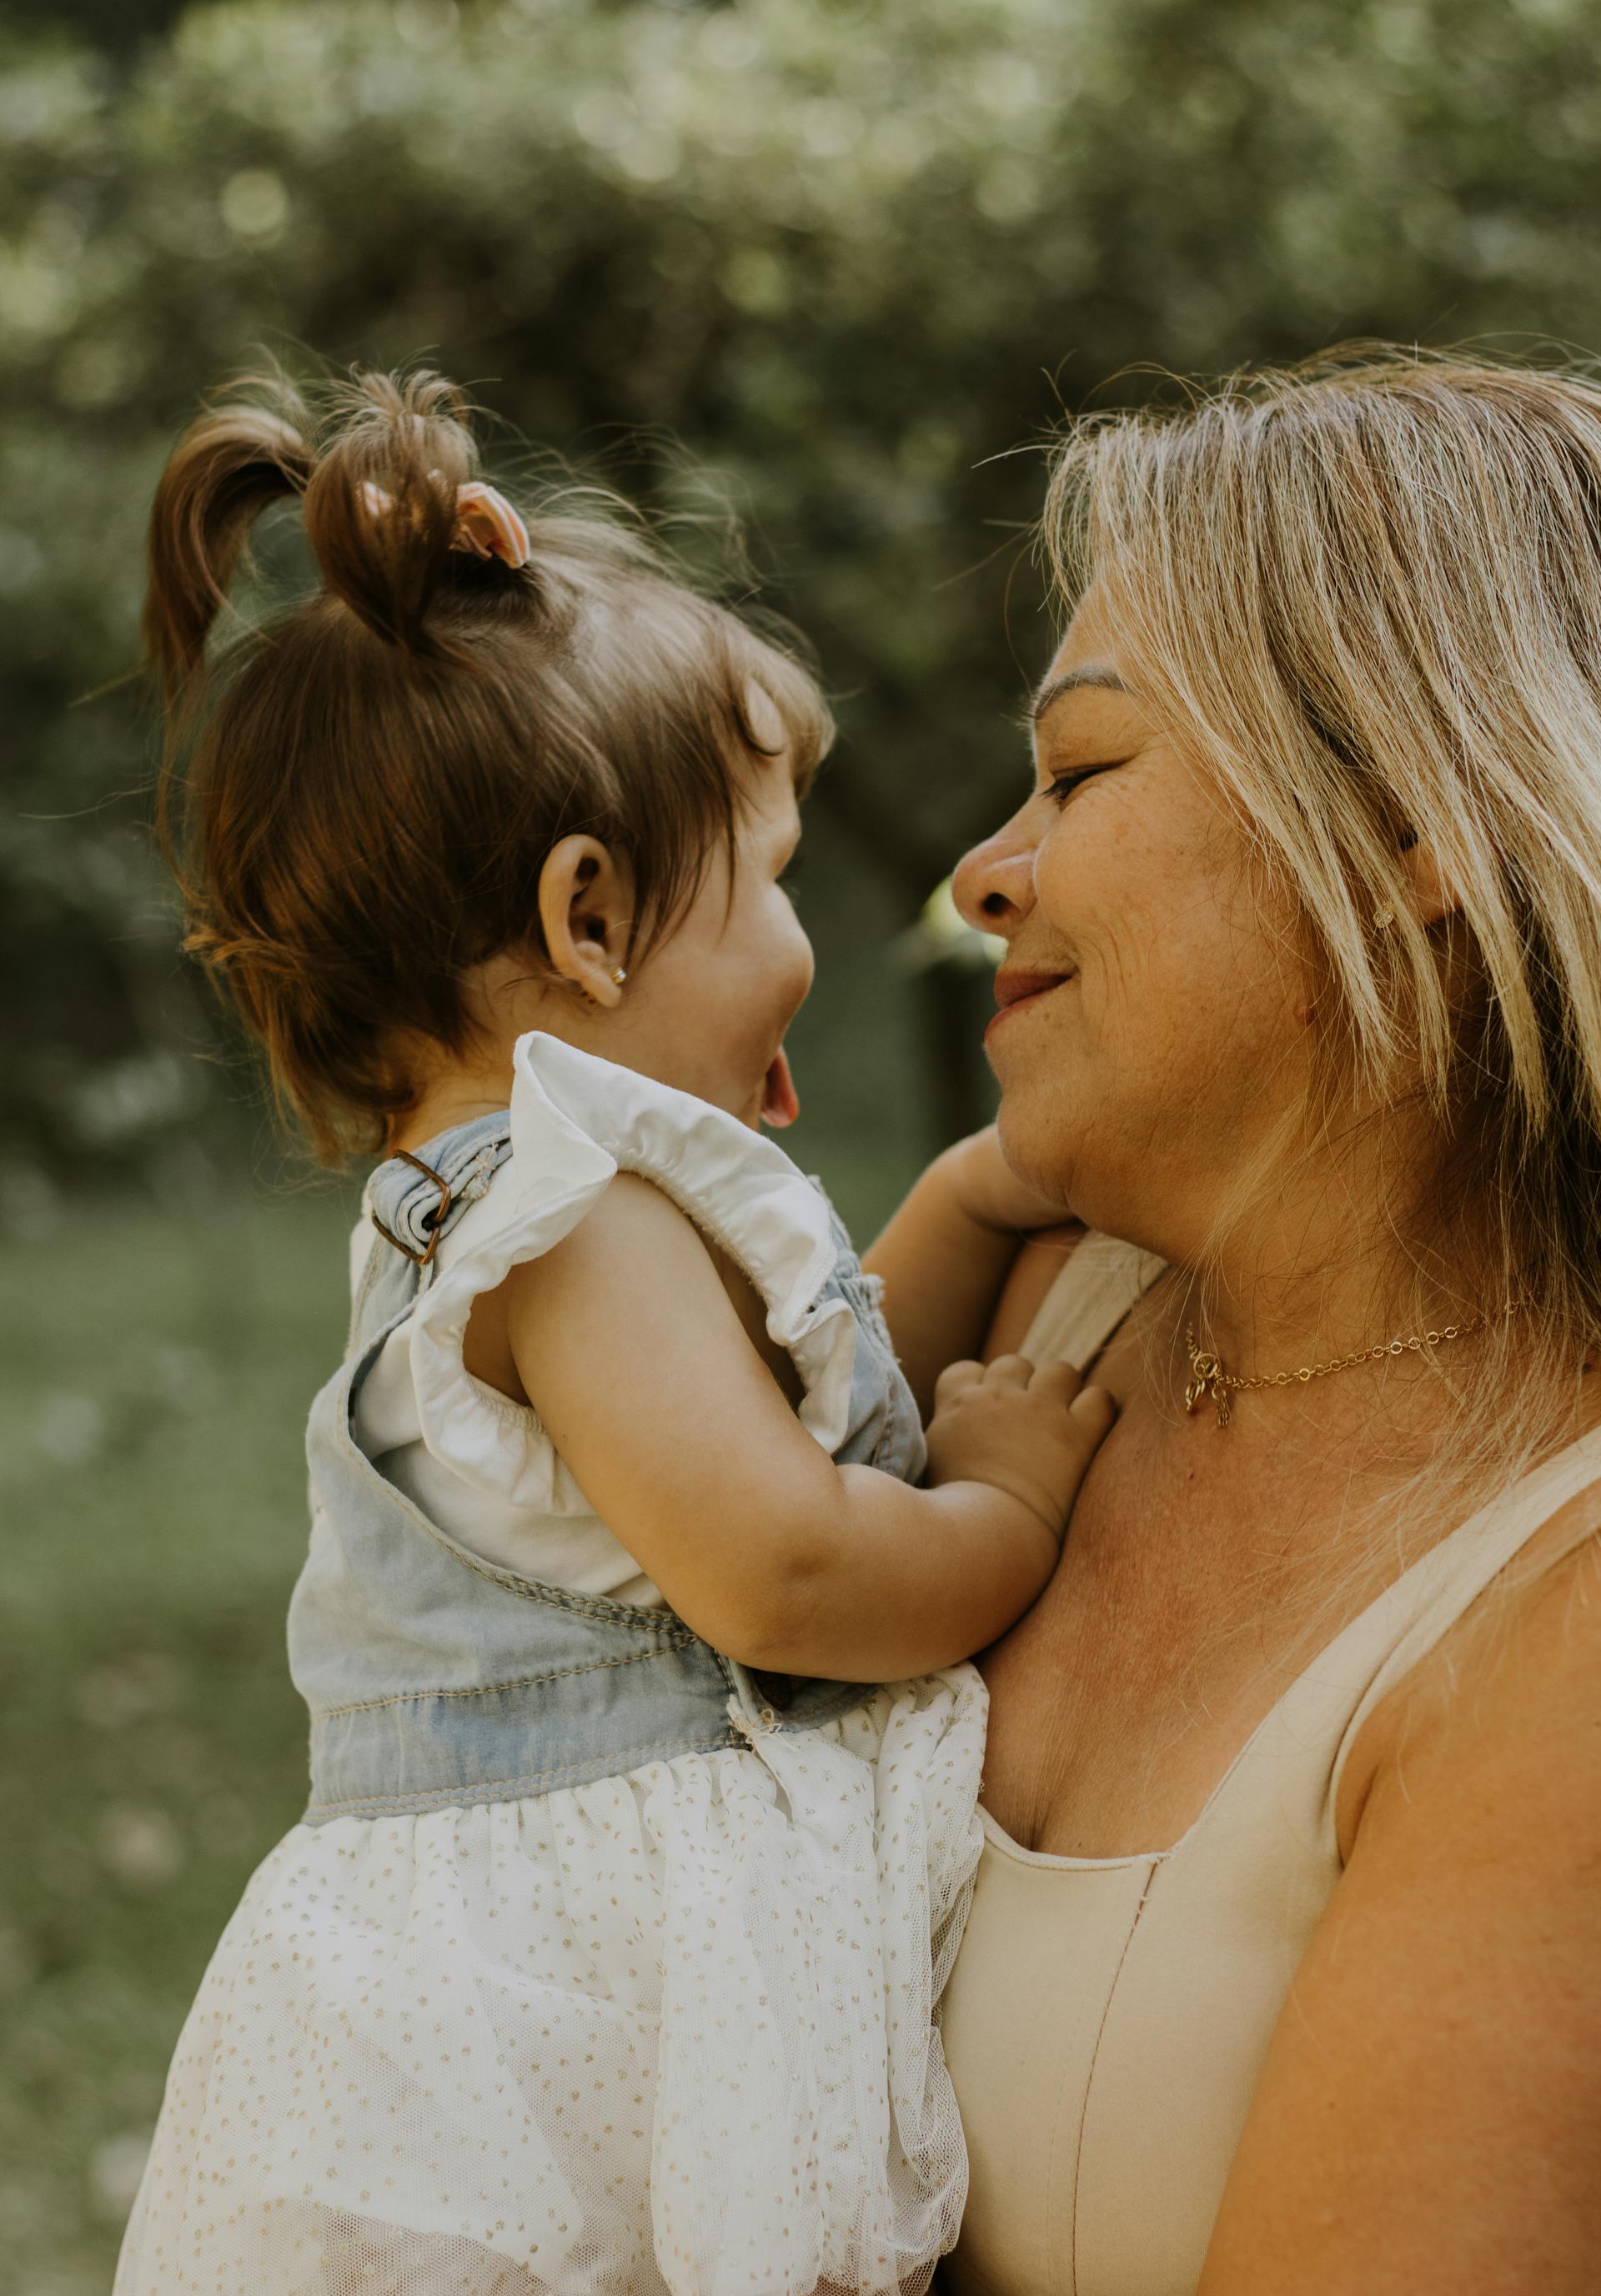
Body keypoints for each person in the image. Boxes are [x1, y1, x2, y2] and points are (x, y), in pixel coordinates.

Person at [114, 365, 1115, 2296]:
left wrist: (976, 1202)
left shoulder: (508, 1207)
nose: (801, 948)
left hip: (466, 2011)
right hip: (551, 2050)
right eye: (773, 881)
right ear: (589, 919)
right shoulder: (570, 1222)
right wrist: (1007, 1507)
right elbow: (785, 1561)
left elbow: (775, 1418)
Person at [871, 352, 1601, 2293]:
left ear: (1412, 833)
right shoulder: (1043, 1314)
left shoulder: (1561, 1618)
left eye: (1083, 771)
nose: (982, 871)